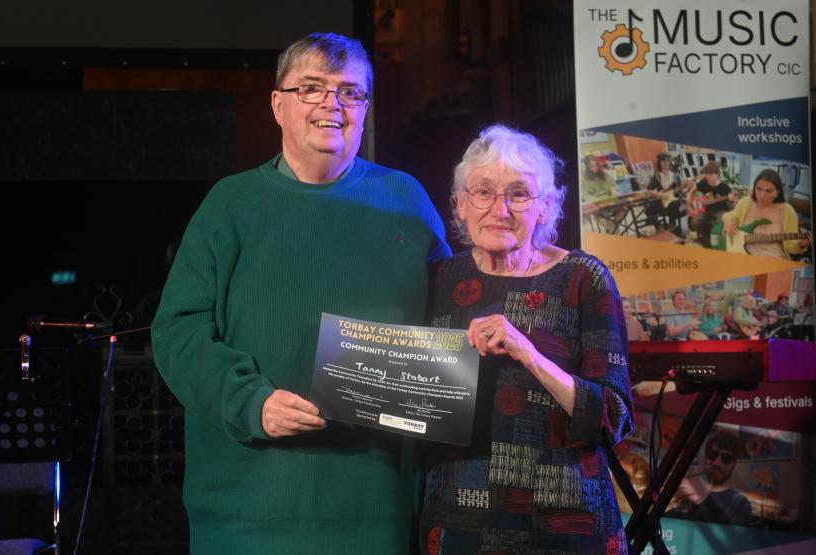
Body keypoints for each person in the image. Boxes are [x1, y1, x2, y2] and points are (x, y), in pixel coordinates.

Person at [151, 33, 451, 554]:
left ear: (365, 108)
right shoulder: (231, 204)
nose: (331, 104)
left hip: (376, 507)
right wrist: (250, 402)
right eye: (311, 88)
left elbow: (451, 322)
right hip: (248, 509)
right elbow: (178, 331)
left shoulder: (406, 200)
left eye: (349, 92)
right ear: (278, 104)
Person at [420, 125, 633, 553]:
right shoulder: (440, 279)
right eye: (483, 192)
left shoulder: (583, 278)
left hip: (565, 525)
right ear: (460, 204)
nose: (499, 209)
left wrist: (529, 354)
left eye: (518, 194)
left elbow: (614, 416)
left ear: (546, 206)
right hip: (460, 521)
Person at [670, 428, 752, 526]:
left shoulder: (741, 504)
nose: (717, 463)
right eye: (712, 455)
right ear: (706, 457)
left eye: (726, 458)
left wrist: (705, 500)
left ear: (733, 464)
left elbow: (730, 535)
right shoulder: (688, 487)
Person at [721, 169, 810, 258]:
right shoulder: (746, 202)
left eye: (768, 191)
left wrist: (801, 245)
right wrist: (729, 221)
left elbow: (790, 246)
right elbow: (730, 215)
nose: (762, 195)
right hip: (743, 257)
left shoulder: (788, 211)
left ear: (778, 192)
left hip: (774, 260)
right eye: (758, 189)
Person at [687, 162, 736, 247]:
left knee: (720, 223)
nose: (708, 176)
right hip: (706, 210)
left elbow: (733, 201)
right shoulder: (704, 183)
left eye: (711, 173)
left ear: (717, 173)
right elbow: (693, 189)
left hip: (720, 211)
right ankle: (706, 237)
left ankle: (718, 242)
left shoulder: (724, 186)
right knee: (694, 222)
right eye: (706, 173)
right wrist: (689, 197)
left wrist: (732, 199)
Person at [646, 153, 684, 235]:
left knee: (674, 204)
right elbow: (649, 190)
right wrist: (660, 195)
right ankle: (659, 227)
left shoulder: (675, 176)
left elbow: (680, 190)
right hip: (661, 201)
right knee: (648, 209)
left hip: (673, 200)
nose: (666, 163)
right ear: (659, 163)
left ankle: (673, 227)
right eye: (663, 161)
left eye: (667, 161)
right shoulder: (657, 177)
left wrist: (685, 189)